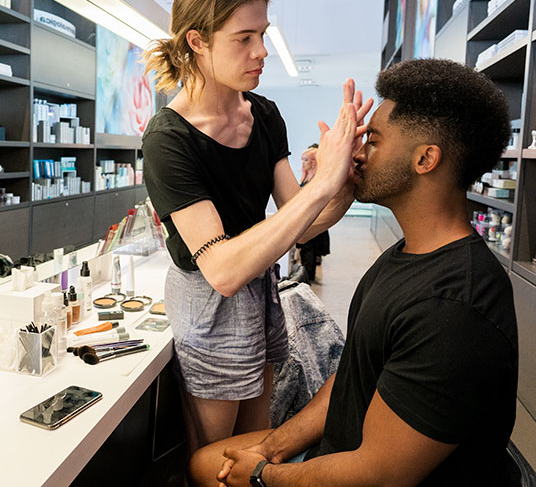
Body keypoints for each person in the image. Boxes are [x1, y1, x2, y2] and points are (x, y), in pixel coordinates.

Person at [189, 58, 518, 487]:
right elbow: (350, 380)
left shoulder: (454, 307)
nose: (356, 154)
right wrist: (271, 448)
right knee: (204, 462)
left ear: (425, 159)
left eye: (372, 141)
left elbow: (377, 474)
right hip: (346, 448)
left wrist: (264, 476)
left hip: (366, 471)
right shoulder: (404, 256)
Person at [141, 0, 373, 453]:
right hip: (210, 304)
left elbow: (303, 227)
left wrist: (345, 181)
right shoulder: (168, 140)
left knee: (255, 449)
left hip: (261, 292)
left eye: (263, 34)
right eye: (244, 38)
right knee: (214, 458)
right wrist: (319, 186)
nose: (261, 51)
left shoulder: (263, 113)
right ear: (197, 41)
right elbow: (222, 270)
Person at [295, 145, 330, 282]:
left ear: (314, 162)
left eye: (306, 160)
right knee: (306, 249)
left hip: (313, 219)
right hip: (306, 218)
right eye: (302, 160)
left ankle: (307, 278)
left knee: (309, 249)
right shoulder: (306, 178)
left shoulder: (317, 180)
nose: (303, 163)